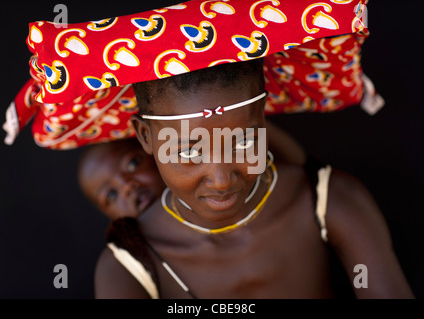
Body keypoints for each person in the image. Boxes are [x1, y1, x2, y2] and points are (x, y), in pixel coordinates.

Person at [93, 59, 414, 299]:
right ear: (145, 137)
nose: (220, 179)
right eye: (189, 152)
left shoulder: (328, 200)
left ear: (263, 115)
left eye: (243, 142)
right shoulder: (129, 266)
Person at [77, 120, 306, 220]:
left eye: (133, 164)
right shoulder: (133, 262)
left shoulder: (219, 195)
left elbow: (300, 167)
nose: (128, 186)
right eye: (111, 195)